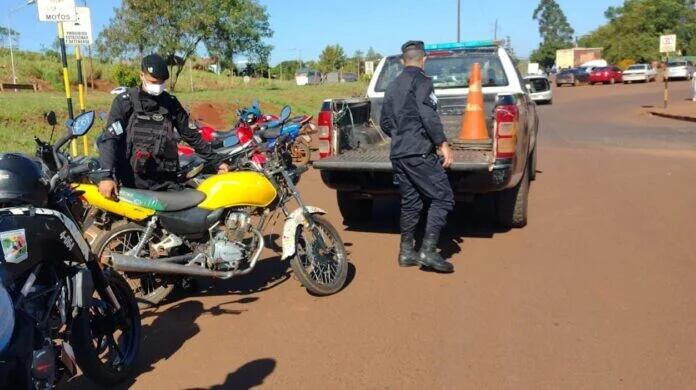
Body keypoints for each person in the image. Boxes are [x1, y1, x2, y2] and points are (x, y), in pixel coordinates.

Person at [97, 54, 228, 198]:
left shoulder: (170, 103)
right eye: (153, 81)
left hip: (165, 181)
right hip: (131, 182)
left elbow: (191, 135)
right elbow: (110, 139)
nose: (158, 86)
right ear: (142, 75)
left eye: (161, 82)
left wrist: (216, 162)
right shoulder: (124, 102)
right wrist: (106, 176)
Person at [380, 40, 455, 273]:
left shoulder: (392, 85)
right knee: (443, 197)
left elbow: (384, 122)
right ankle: (428, 251)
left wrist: (401, 134)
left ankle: (406, 252)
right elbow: (428, 115)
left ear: (403, 61)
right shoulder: (423, 82)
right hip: (419, 151)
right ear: (424, 59)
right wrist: (442, 144)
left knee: (411, 202)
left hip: (399, 153)